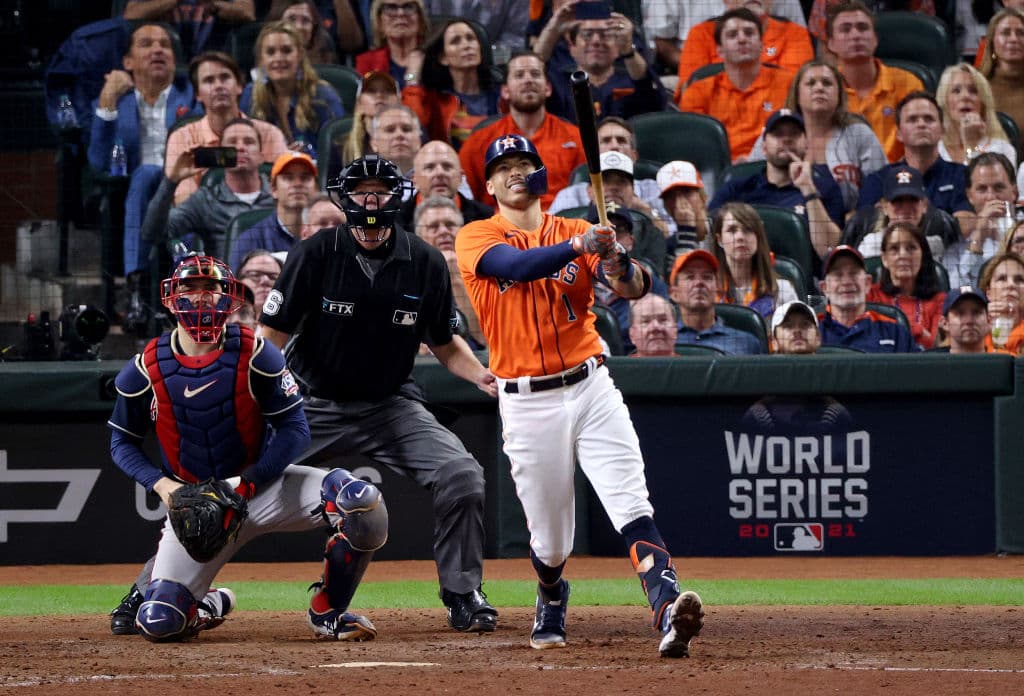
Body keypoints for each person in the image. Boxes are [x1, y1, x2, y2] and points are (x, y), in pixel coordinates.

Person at [455, 133, 704, 657]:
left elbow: (635, 287)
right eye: (504, 167)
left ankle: (667, 608)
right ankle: (551, 594)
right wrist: (580, 246)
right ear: (490, 183)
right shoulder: (476, 236)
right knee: (550, 539)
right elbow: (515, 267)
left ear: (543, 175)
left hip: (590, 386)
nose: (516, 172)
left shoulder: (575, 229)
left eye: (526, 163)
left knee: (629, 501)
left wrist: (616, 262)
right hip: (526, 402)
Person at [258, 154, 500, 634]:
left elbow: (446, 343)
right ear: (345, 199)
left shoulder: (426, 260)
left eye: (380, 192)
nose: (371, 202)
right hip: (314, 404)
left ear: (397, 198)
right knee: (234, 483)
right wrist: (260, 399)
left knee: (462, 474)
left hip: (390, 405)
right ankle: (165, 589)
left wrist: (481, 376)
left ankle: (462, 593)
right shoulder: (315, 252)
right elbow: (271, 337)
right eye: (361, 192)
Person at [106, 255, 386, 643]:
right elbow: (121, 443)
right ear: (171, 299)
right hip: (196, 503)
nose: (202, 300)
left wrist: (246, 484)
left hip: (262, 486)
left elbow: (295, 430)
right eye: (191, 289)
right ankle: (208, 605)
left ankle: (329, 611)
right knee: (160, 622)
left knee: (362, 502)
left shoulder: (256, 352)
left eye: (212, 289)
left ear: (230, 298)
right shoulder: (143, 368)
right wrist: (164, 487)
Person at [748, 60, 887, 213]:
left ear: (839, 94)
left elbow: (880, 185)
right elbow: (750, 181)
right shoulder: (773, 134)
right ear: (797, 94)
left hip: (849, 227)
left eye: (827, 83)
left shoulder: (860, 134)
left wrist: (859, 218)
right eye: (811, 83)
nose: (819, 88)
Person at [459, 51, 585, 212]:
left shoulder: (575, 137)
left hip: (561, 228)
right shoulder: (479, 141)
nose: (528, 80)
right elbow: (466, 198)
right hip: (498, 229)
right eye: (519, 75)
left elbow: (585, 194)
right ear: (505, 91)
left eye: (535, 74)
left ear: (547, 88)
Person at [710, 109, 845, 260]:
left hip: (804, 278)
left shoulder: (825, 188)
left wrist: (808, 190)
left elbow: (829, 250)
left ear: (806, 144)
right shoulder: (736, 189)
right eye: (777, 134)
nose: (786, 139)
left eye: (794, 133)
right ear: (764, 147)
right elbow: (709, 235)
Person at [166, 51, 288, 205]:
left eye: (225, 78)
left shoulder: (269, 134)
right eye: (209, 80)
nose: (218, 86)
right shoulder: (182, 138)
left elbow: (285, 192)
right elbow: (183, 200)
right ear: (197, 94)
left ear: (239, 86)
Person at [143, 117, 275, 259]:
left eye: (249, 142)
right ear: (220, 152)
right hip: (227, 278)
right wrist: (171, 181)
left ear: (261, 156)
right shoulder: (206, 201)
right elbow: (152, 234)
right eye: (232, 142)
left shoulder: (280, 195)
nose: (240, 147)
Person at [678, 8, 794, 163]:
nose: (742, 39)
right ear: (719, 50)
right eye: (732, 35)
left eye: (749, 33)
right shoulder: (698, 92)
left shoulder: (789, 83)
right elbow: (695, 149)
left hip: (778, 167)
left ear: (761, 44)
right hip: (722, 174)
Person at [825, 0, 926, 163]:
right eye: (845, 29)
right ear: (831, 43)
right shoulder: (824, 88)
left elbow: (920, 144)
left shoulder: (908, 83)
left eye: (863, 28)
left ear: (875, 39)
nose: (855, 35)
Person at [856, 92, 973, 230]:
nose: (921, 124)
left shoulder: (962, 175)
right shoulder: (878, 180)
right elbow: (865, 228)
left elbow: (965, 227)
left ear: (942, 130)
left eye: (929, 119)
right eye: (912, 119)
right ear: (898, 133)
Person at [548, 116, 674, 240]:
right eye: (606, 140)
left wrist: (646, 211)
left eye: (621, 140)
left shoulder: (653, 190)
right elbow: (547, 235)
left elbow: (673, 235)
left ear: (634, 156)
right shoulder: (570, 195)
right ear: (592, 155)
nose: (614, 146)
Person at [546, 8, 668, 124]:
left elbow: (655, 98)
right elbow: (531, 68)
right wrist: (553, 28)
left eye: (605, 35)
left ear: (617, 46)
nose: (596, 41)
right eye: (587, 35)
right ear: (572, 47)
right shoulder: (558, 83)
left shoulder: (631, 79)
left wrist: (628, 49)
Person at [240, 22, 345, 157]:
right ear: (261, 60)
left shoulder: (323, 97)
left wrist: (307, 155)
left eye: (287, 51)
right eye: (271, 52)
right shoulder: (250, 96)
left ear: (300, 55)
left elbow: (340, 154)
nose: (278, 58)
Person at [402, 18, 501, 147]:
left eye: (470, 38)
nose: (466, 45)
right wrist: (412, 76)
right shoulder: (434, 101)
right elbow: (410, 126)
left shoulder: (502, 95)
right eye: (456, 41)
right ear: (443, 58)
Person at [588, 200, 672, 350]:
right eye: (601, 229)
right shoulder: (573, 282)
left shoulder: (649, 285)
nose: (610, 237)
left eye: (618, 230)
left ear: (631, 241)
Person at [675, 0, 813, 89]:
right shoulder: (701, 33)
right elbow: (689, 92)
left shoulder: (794, 33)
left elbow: (794, 89)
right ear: (725, 2)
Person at [842, 162, 963, 259]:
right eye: (898, 201)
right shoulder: (871, 245)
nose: (905, 208)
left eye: (912, 200)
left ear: (924, 206)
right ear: (884, 207)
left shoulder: (936, 246)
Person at [577, 151, 667, 276]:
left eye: (621, 182)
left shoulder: (650, 231)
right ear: (589, 190)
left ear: (633, 190)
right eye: (605, 181)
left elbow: (656, 279)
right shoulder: (573, 228)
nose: (614, 187)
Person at [414, 195, 486, 348]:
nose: (443, 231)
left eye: (450, 225)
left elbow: (486, 343)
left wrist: (456, 279)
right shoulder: (405, 277)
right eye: (433, 226)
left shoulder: (486, 275)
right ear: (419, 237)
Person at [939, 152, 1019, 288]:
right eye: (982, 189)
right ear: (970, 196)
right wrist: (978, 238)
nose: (991, 196)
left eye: (999, 187)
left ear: (1014, 192)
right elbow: (956, 291)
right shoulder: (957, 241)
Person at [818, 245, 919, 352]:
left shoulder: (894, 331)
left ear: (867, 283)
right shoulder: (812, 330)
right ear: (825, 288)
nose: (846, 282)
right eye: (838, 275)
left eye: (854, 274)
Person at [229, 151, 318, 270]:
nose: (297, 184)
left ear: (316, 188)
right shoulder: (249, 239)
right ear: (273, 189)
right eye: (288, 177)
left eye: (305, 178)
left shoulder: (329, 234)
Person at [711, 201, 800, 318]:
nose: (740, 237)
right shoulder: (708, 292)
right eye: (732, 230)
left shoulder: (783, 291)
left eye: (748, 230)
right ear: (719, 240)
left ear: (758, 237)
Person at [866, 222, 946, 349]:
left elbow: (939, 347)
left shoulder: (940, 301)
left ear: (922, 255)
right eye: (894, 249)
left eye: (911, 248)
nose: (903, 255)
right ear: (884, 259)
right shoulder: (870, 295)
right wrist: (918, 331)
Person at [669, 249, 765, 355]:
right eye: (690, 277)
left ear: (717, 290)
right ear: (674, 294)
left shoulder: (747, 343)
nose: (699, 283)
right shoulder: (664, 339)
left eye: (707, 277)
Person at [935, 63, 1017, 167]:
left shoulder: (1002, 149)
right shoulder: (933, 149)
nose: (965, 96)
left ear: (983, 103)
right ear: (944, 101)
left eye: (973, 91)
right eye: (956, 91)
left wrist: (971, 145)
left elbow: (979, 182)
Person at [399, 139, 492, 229]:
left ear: (461, 177)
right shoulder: (395, 220)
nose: (439, 173)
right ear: (414, 179)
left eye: (447, 167)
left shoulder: (486, 219)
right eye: (430, 167)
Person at [124, 0, 255, 58]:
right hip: (165, 59)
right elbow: (131, 14)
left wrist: (213, 3)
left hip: (215, 56)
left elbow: (247, 12)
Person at [355, 0, 429, 89]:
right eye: (391, 8)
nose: (400, 13)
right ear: (379, 21)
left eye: (409, 7)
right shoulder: (367, 62)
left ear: (420, 19)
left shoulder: (434, 59)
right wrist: (411, 77)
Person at [980, 8, 1024, 154]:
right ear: (992, 43)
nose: (1013, 39)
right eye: (1005, 33)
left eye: (1021, 33)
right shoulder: (976, 87)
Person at [421, 0, 528, 58]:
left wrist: (483, 56)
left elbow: (516, 40)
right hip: (435, 60)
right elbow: (418, 30)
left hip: (489, 68)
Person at [339, 70, 401, 167]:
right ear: (359, 103)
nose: (379, 95)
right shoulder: (342, 147)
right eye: (371, 91)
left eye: (388, 90)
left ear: (398, 102)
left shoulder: (412, 137)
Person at [656, 160, 709, 252]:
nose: (679, 202)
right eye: (671, 196)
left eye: (686, 192)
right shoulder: (668, 247)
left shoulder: (723, 228)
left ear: (702, 197)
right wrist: (686, 230)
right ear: (667, 208)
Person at [270, 0, 344, 65]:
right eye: (291, 19)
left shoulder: (326, 64)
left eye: (305, 20)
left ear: (313, 29)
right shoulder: (264, 68)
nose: (299, 27)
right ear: (277, 24)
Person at [978, 250, 1024, 353]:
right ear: (988, 292)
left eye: (1019, 280)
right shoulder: (975, 327)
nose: (1011, 285)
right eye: (1002, 279)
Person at [936, 285, 998, 354]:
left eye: (976, 312)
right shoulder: (928, 363)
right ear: (945, 323)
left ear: (989, 321)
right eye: (960, 313)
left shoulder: (1004, 363)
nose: (969, 320)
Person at [368, 104, 422, 176]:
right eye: (390, 130)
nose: (399, 134)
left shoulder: (438, 179)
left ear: (419, 140)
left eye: (406, 129)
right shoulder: (358, 183)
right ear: (374, 143)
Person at [628, 293, 679, 357]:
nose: (655, 327)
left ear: (676, 329)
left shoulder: (691, 366)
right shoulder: (619, 367)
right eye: (646, 321)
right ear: (632, 335)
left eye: (663, 320)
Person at [237, 249, 284, 318]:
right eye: (255, 275)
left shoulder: (299, 325)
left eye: (273, 277)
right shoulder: (222, 323)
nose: (265, 281)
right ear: (239, 282)